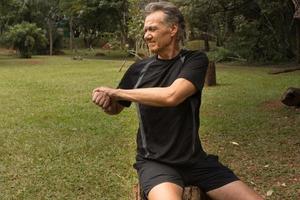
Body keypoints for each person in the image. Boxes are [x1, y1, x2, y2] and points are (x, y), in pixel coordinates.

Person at [92, 2, 263, 200]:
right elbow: (116, 108)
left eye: (153, 29)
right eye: (145, 29)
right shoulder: (138, 70)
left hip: (196, 161)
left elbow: (172, 96)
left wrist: (118, 92)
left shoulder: (194, 61)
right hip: (155, 163)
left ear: (173, 29)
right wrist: (106, 102)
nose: (146, 35)